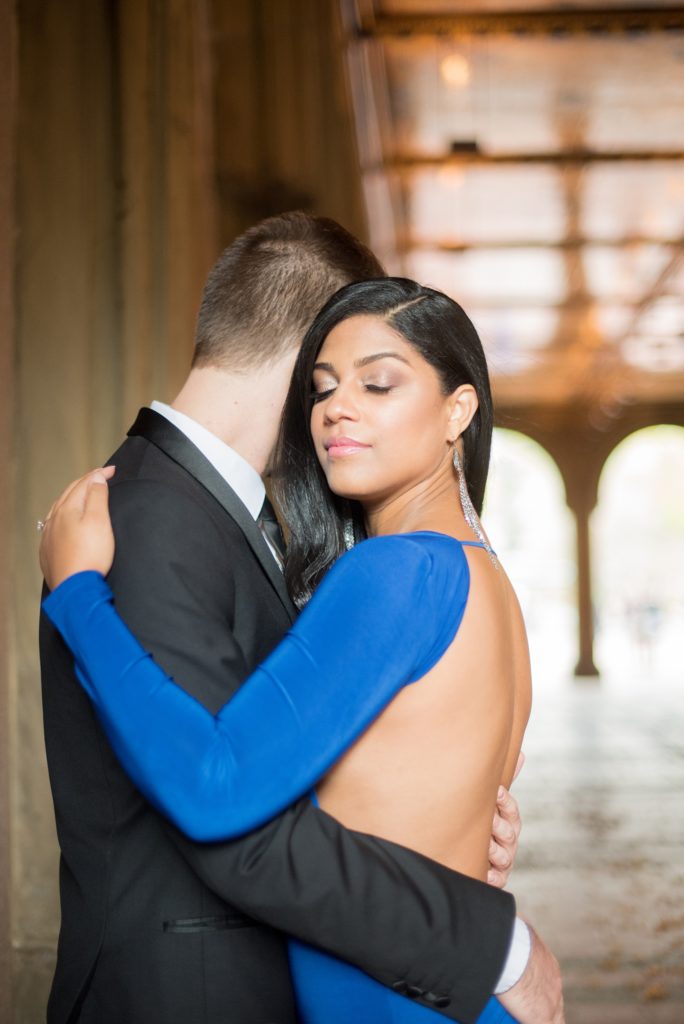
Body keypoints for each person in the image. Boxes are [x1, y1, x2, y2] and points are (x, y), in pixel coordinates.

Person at [39, 273, 564, 1023]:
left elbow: (215, 786)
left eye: (378, 384)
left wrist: (79, 597)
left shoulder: (394, 571)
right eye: (321, 388)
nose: (336, 408)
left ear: (459, 409)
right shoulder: (481, 576)